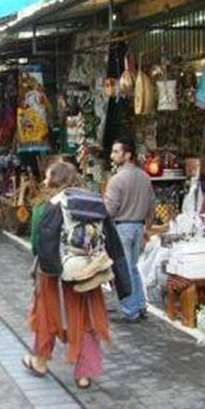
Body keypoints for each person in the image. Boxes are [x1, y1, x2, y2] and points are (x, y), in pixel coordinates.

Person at [23, 161, 130, 389]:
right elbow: (111, 240)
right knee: (86, 320)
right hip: (88, 272)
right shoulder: (92, 202)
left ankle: (40, 362)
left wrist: (51, 269)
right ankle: (83, 375)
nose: (44, 180)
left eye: (48, 176)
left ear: (56, 180)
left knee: (48, 316)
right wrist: (122, 282)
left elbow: (36, 244)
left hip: (56, 275)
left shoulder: (46, 205)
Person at [105, 137, 156, 323]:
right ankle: (140, 304)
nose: (112, 155)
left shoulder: (117, 180)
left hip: (123, 227)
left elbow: (110, 209)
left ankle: (130, 309)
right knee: (133, 268)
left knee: (123, 270)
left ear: (127, 155)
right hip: (138, 226)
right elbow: (152, 204)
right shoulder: (144, 177)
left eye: (116, 152)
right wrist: (148, 227)